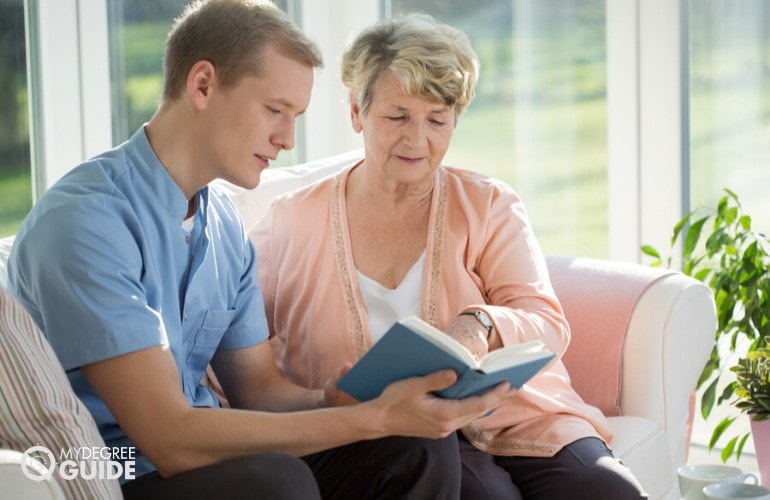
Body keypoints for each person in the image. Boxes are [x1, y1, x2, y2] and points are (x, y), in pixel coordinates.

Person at [7, 2, 510, 499]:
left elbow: (261, 393)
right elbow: (169, 440)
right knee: (275, 481)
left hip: (199, 458)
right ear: (202, 85)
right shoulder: (87, 222)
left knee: (415, 448)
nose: (288, 139)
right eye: (275, 110)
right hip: (103, 465)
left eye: (296, 116)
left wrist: (331, 399)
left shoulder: (223, 225)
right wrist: (366, 419)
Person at [250, 13, 649, 500]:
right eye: (397, 116)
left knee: (611, 491)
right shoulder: (287, 224)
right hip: (400, 436)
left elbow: (545, 321)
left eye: (437, 120)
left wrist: (480, 323)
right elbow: (237, 352)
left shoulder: (488, 205)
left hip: (520, 414)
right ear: (357, 111)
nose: (417, 139)